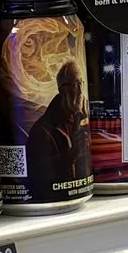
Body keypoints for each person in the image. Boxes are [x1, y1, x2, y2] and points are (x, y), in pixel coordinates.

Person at [24, 58, 87, 195]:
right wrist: (71, 154)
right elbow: (36, 174)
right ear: (63, 90)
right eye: (75, 84)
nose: (81, 91)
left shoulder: (83, 119)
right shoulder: (42, 131)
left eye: (81, 83)